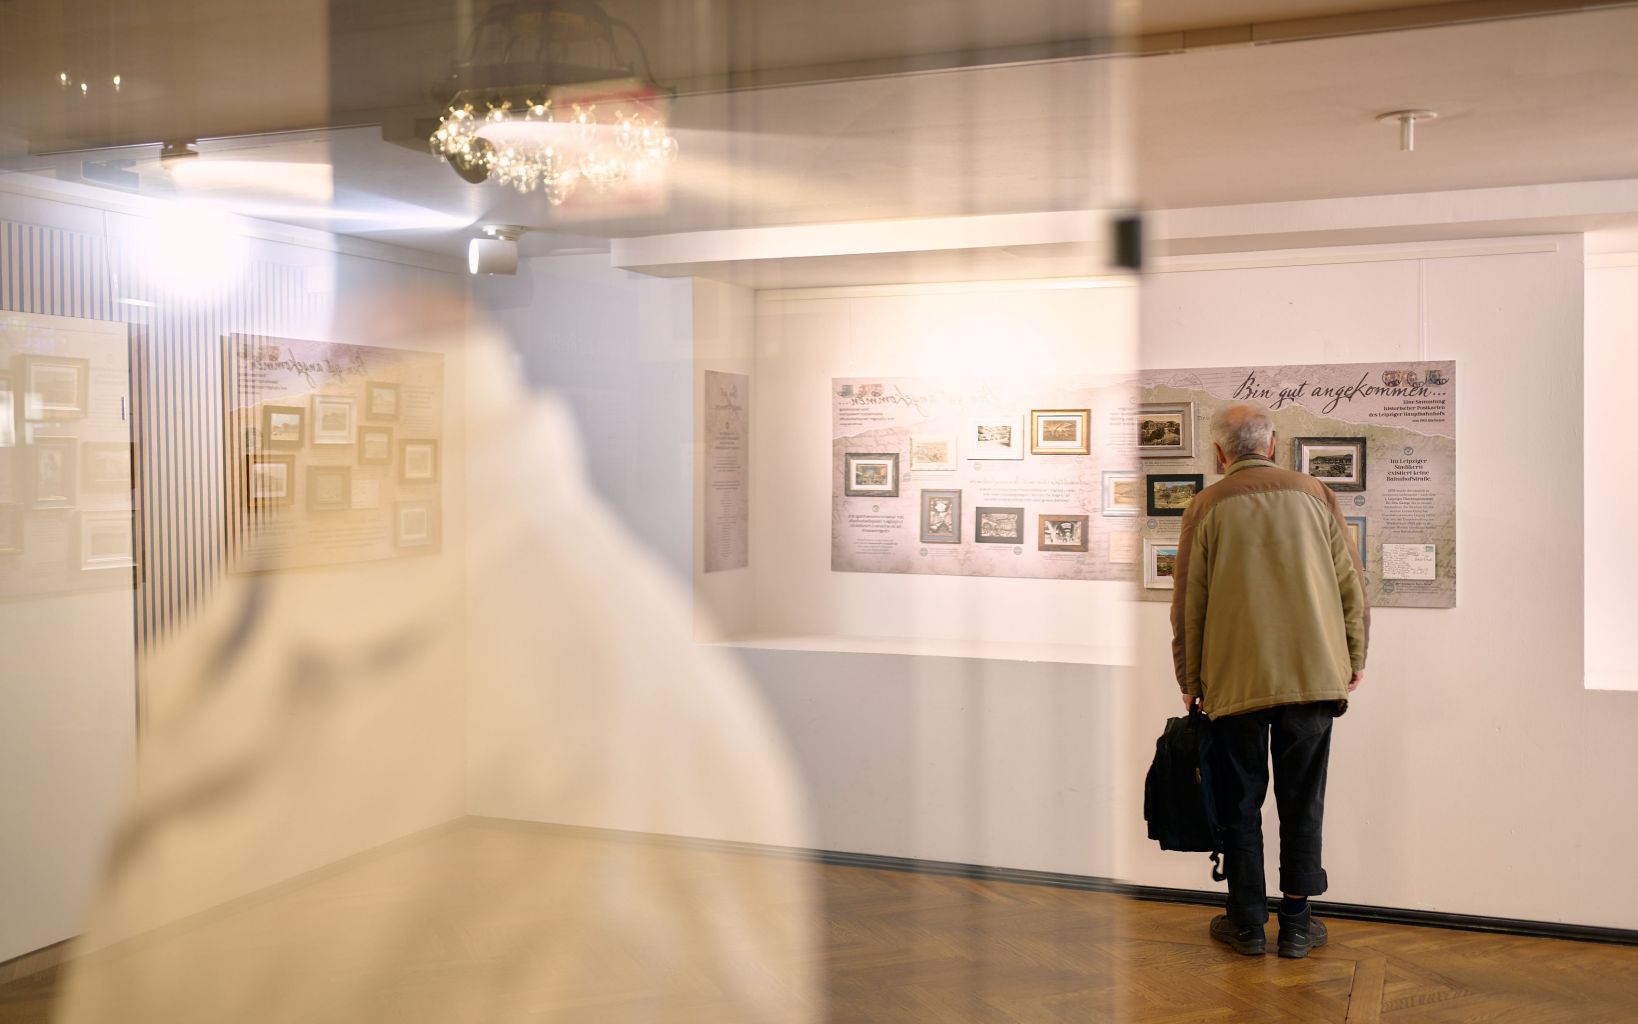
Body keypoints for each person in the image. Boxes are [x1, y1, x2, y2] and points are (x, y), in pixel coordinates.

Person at [1169, 404, 1368, 959]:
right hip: (1313, 676)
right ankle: (1299, 923)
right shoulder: (1316, 494)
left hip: (1237, 681)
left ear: (1217, 453)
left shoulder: (1205, 506)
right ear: (1274, 445)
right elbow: (1351, 585)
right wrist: (1353, 655)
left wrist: (1191, 676)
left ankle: (1249, 923)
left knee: (1239, 800)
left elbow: (1189, 604)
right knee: (1303, 801)